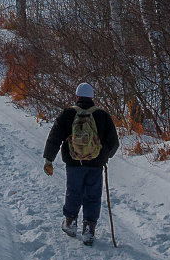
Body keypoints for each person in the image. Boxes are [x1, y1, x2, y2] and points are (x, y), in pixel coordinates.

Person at [42, 82, 119, 245]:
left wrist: (49, 159)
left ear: (76, 97)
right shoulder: (102, 115)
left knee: (73, 191)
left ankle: (70, 223)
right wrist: (104, 156)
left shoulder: (68, 114)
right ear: (92, 98)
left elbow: (54, 137)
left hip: (73, 162)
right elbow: (114, 143)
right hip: (95, 163)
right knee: (93, 195)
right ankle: (89, 230)